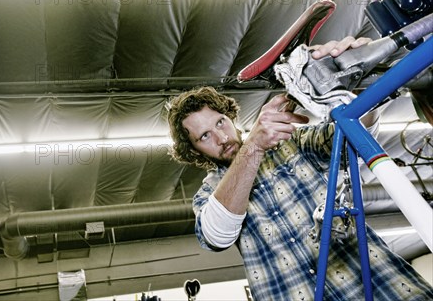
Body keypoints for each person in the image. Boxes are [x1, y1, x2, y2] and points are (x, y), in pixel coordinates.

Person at [166, 37, 433, 300]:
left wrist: (354, 86)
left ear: (230, 117)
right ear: (194, 151)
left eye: (220, 123)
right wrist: (254, 147)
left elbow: (354, 135)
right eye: (204, 137)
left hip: (384, 288)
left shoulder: (292, 142)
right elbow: (217, 235)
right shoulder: (208, 196)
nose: (221, 138)